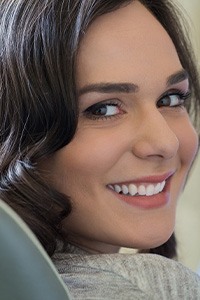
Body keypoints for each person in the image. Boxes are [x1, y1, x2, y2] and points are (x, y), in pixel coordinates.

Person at [0, 0, 200, 298]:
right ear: (19, 134)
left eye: (170, 99)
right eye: (103, 109)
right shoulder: (151, 288)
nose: (166, 142)